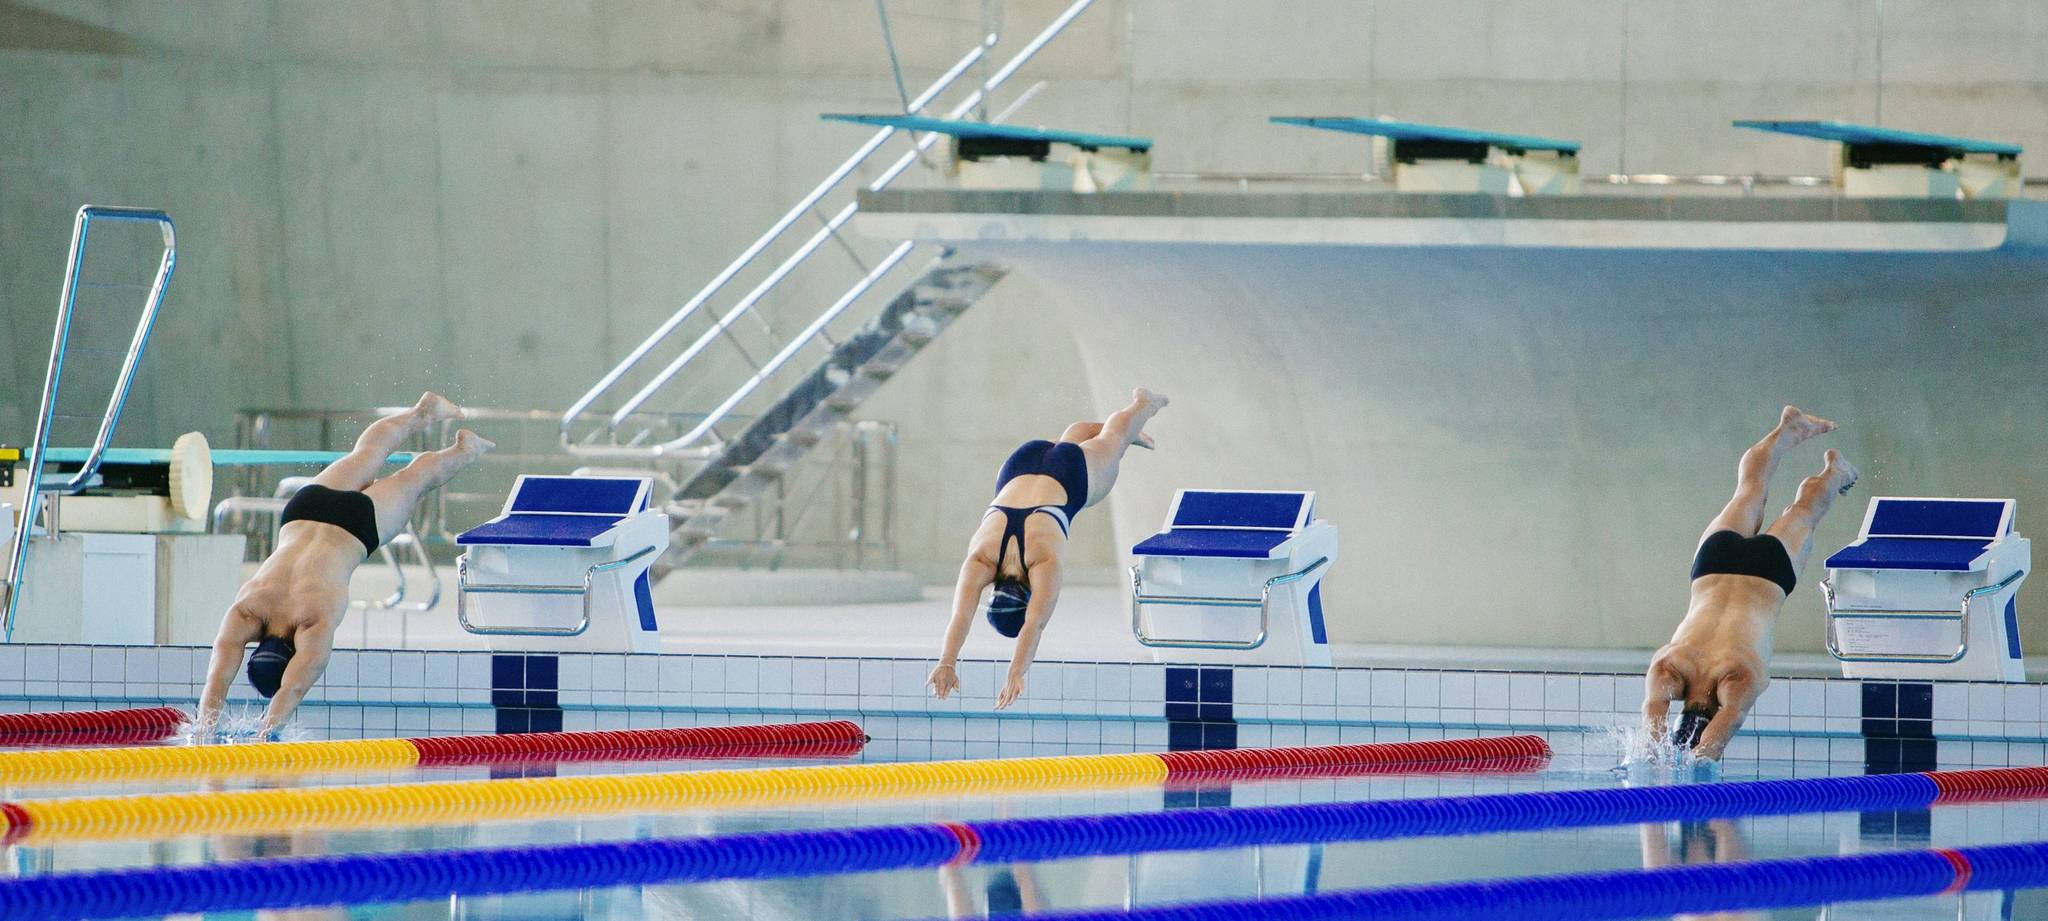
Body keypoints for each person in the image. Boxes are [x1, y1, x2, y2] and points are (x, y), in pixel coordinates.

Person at [197, 394, 492, 735]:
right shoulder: (248, 609)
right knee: (367, 452)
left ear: (292, 656)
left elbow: (293, 688)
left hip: (355, 527)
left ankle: (465, 449)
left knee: (415, 479)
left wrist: (266, 734)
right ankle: (421, 412)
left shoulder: (312, 620)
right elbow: (216, 678)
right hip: (304, 510)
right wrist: (203, 729)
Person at [927, 389, 1168, 709]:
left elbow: (1035, 623)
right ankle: (1106, 431)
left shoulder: (1043, 560)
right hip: (1019, 464)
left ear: (1027, 598)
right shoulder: (981, 559)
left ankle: (1143, 405)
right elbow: (961, 615)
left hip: (1070, 475)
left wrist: (1017, 672)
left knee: (1114, 439)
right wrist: (946, 662)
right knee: (1075, 439)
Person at [1643, 406, 1859, 759]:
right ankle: (1788, 429)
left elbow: (1715, 740)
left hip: (1767, 576)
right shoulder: (1670, 667)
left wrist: (1696, 761)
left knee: (1804, 510)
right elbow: (1652, 728)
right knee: (1748, 491)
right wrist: (1656, 755)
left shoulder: (1738, 677)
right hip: (1713, 565)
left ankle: (1836, 471)